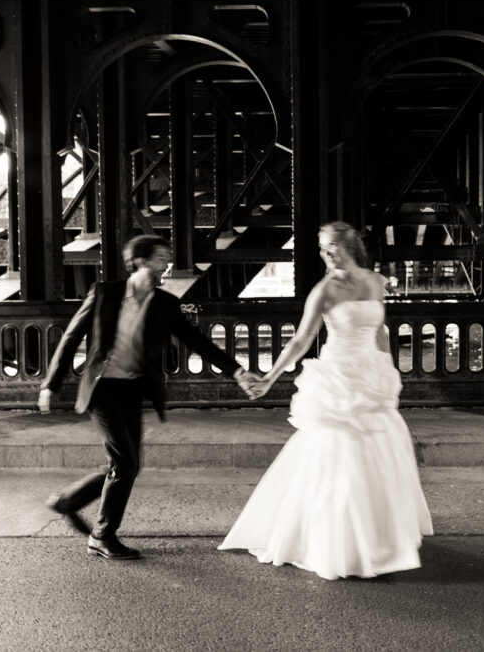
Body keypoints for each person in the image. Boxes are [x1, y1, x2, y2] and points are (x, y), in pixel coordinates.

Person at [219, 221, 433, 580]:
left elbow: (379, 332)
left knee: (379, 456)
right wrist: (270, 378)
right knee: (340, 458)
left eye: (332, 245)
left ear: (350, 245)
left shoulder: (375, 282)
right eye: (322, 246)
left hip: (371, 378)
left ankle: (379, 537)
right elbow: (301, 340)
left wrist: (388, 371)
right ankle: (337, 541)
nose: (326, 252)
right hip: (338, 380)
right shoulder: (324, 290)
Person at [39, 235, 258, 560]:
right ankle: (101, 536)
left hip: (132, 390)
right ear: (140, 261)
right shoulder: (105, 292)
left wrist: (237, 371)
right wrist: (50, 384)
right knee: (125, 463)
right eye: (161, 259)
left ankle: (67, 501)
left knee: (126, 464)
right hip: (101, 389)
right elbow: (71, 337)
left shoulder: (164, 303)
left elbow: (196, 341)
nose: (166, 265)